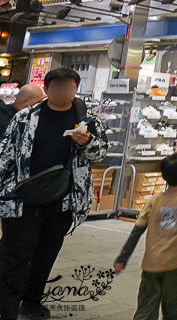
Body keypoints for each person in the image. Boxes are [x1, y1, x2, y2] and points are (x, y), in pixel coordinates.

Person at [0, 68, 108, 320]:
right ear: (47, 90)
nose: (62, 92)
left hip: (63, 200)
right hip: (23, 198)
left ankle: (32, 303)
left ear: (75, 89)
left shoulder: (88, 121)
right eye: (56, 87)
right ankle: (6, 310)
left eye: (68, 87)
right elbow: (5, 154)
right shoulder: (25, 117)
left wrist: (87, 142)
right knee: (16, 256)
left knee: (46, 255)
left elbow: (100, 154)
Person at [113, 153, 177, 320]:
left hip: (151, 264)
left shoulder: (154, 200)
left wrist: (122, 258)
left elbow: (136, 231)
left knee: (145, 309)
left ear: (163, 175)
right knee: (174, 309)